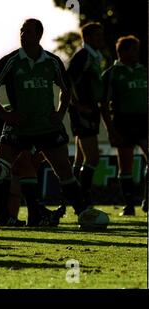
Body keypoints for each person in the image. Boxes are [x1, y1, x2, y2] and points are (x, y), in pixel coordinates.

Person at [0, 19, 89, 229]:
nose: (22, 34)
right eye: (21, 30)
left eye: (27, 31)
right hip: (18, 128)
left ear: (38, 35)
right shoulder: (11, 61)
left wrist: (60, 112)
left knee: (64, 168)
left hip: (47, 127)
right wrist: (4, 115)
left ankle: (83, 214)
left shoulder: (52, 61)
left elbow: (67, 89)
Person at [0, 109, 64, 231]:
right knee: (10, 168)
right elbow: (26, 172)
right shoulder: (46, 135)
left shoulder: (46, 131)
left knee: (8, 169)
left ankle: (4, 217)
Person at [100, 35, 148, 215]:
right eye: (134, 49)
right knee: (125, 164)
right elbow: (103, 104)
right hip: (123, 122)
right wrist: (110, 129)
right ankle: (129, 205)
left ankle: (146, 200)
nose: (137, 53)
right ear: (123, 52)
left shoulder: (144, 70)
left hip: (144, 121)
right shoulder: (112, 74)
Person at [67, 22, 105, 206]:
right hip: (84, 112)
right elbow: (68, 80)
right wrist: (77, 104)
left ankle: (72, 198)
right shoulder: (83, 56)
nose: (100, 39)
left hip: (91, 110)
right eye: (97, 35)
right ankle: (84, 199)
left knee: (80, 158)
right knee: (93, 157)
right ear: (87, 38)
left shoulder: (95, 56)